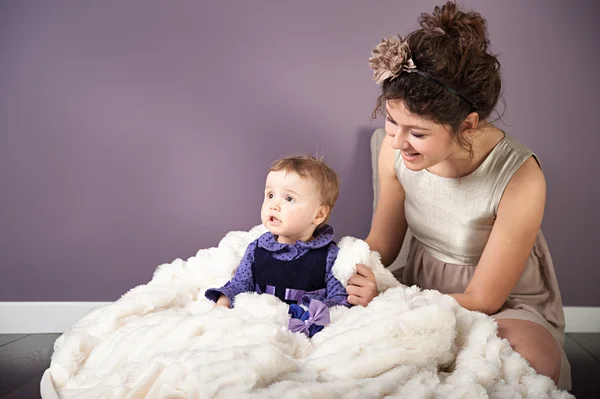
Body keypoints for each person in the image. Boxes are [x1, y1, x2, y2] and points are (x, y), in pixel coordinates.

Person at [344, 1, 571, 390]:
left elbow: (483, 298)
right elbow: (383, 241)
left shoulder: (520, 178)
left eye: (417, 133)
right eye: (392, 122)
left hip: (499, 299)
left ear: (467, 125)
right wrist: (346, 268)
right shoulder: (394, 148)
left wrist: (387, 295)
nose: (398, 142)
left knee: (526, 362)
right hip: (420, 281)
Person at [205, 155, 350, 337]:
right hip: (261, 328)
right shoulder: (257, 249)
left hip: (303, 332)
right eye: (270, 195)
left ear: (318, 214)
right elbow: (239, 285)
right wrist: (223, 303)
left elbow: (339, 302)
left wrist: (310, 311)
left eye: (288, 198)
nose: (274, 205)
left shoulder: (329, 255)